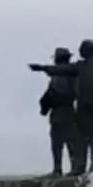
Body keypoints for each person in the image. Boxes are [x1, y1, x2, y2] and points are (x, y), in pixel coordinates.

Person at [29, 38, 93, 175]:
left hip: (91, 112)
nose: (79, 52)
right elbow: (62, 71)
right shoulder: (79, 67)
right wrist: (43, 68)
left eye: (81, 49)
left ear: (87, 50)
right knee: (80, 142)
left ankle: (92, 171)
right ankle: (79, 169)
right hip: (80, 112)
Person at [35, 47, 79, 176]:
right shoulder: (64, 76)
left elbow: (72, 94)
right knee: (60, 143)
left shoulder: (68, 76)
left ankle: (66, 168)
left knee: (64, 143)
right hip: (63, 113)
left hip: (64, 113)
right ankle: (61, 168)